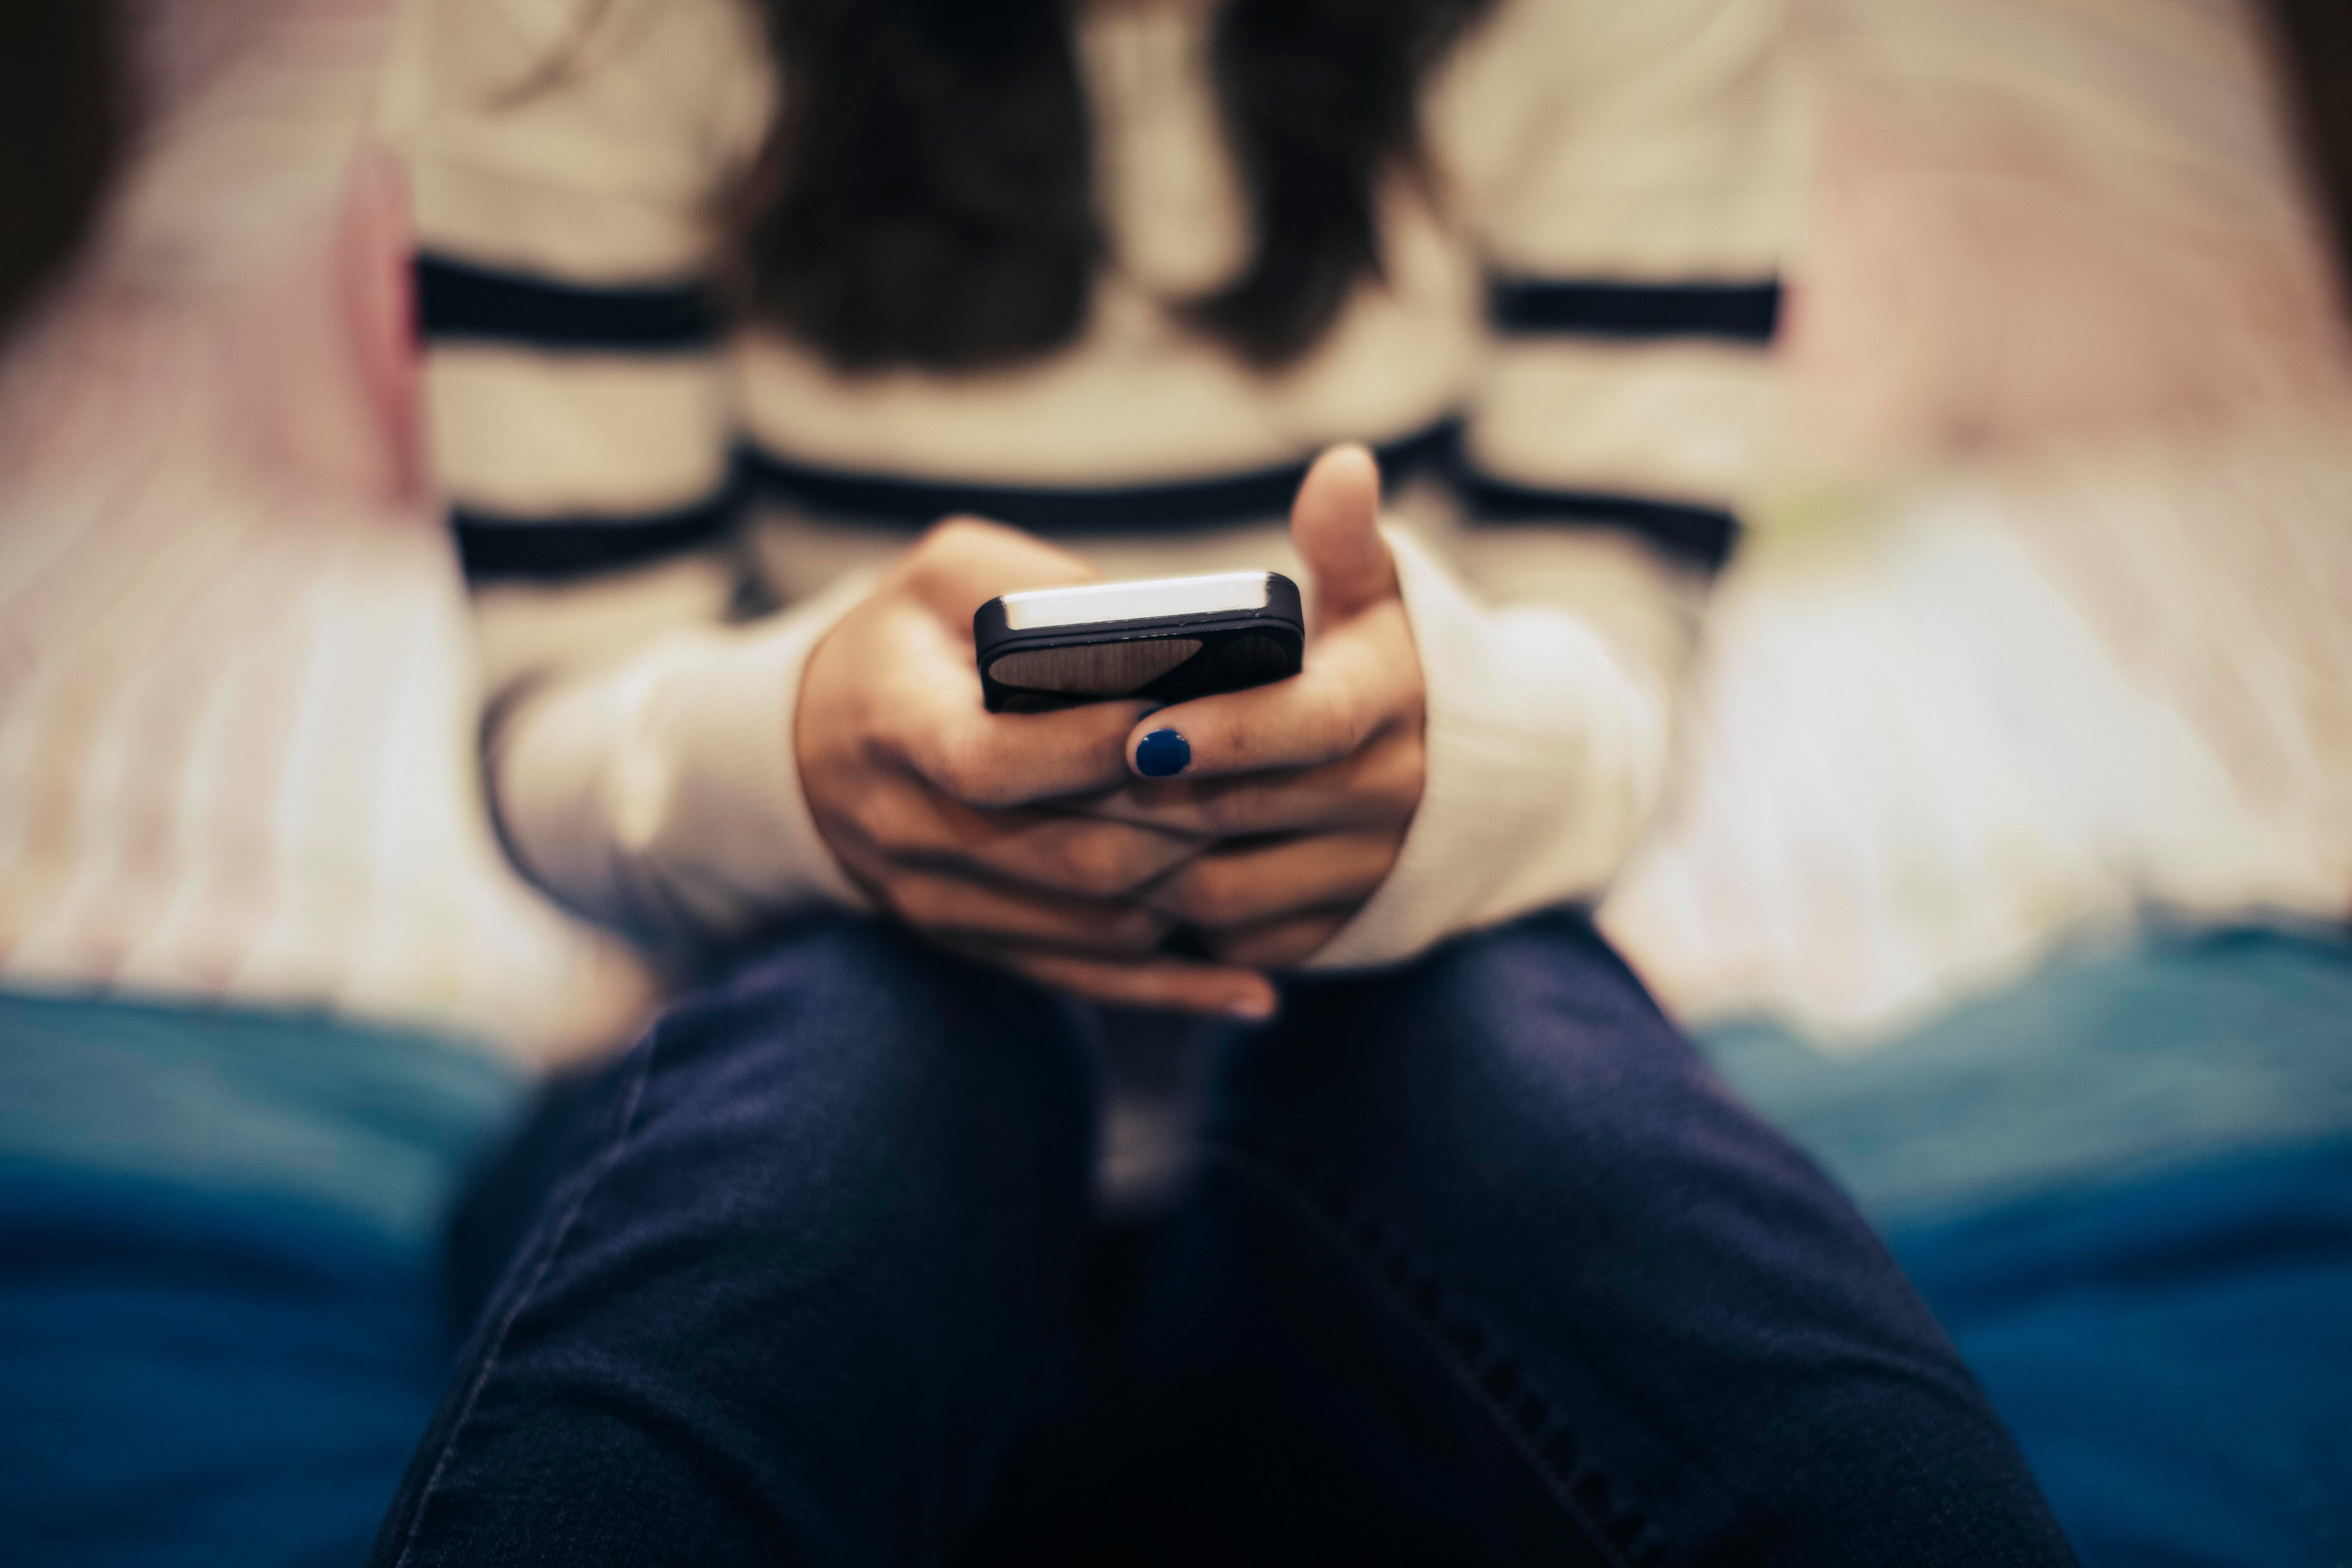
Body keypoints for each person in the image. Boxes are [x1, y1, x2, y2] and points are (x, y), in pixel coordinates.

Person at [372, 0, 2081, 1560]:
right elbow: (557, 722)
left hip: (1390, 1117)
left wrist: (1437, 767)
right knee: (865, 1046)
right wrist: (803, 754)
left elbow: (1622, 646)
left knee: (1503, 1036)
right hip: (824, 1084)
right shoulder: (575, 35)